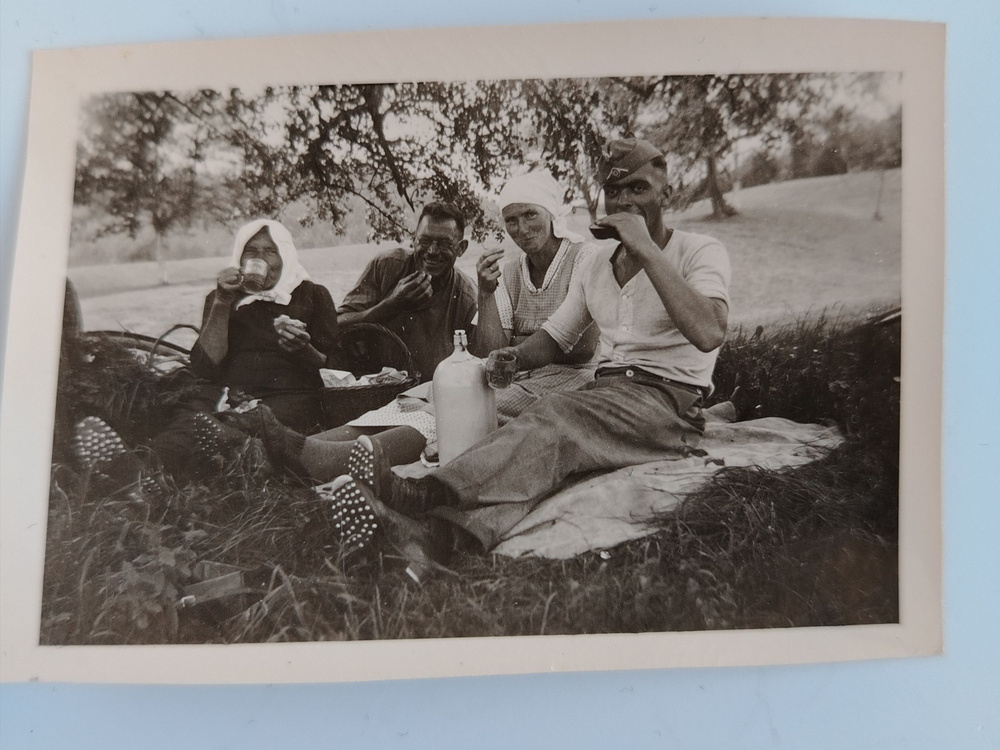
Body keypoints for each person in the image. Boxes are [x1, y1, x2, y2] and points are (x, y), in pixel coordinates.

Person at [326, 137, 732, 568]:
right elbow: (557, 336)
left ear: (665, 193)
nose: (624, 201)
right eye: (615, 192)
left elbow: (709, 332)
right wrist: (516, 358)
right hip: (608, 397)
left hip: (668, 405)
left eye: (638, 189)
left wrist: (645, 248)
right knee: (544, 467)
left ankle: (420, 492)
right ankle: (433, 542)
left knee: (554, 417)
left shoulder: (699, 250)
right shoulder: (598, 265)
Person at [232, 172, 602, 502]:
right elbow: (491, 350)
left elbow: (578, 345)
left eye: (530, 215)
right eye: (511, 220)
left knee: (456, 407)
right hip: (511, 371)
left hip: (563, 379)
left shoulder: (585, 258)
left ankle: (318, 459)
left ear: (553, 214)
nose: (521, 229)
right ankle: (296, 446)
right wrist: (490, 296)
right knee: (420, 396)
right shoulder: (508, 271)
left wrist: (512, 344)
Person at [189, 218, 339, 434]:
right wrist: (222, 302)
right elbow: (205, 367)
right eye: (251, 251)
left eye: (270, 251)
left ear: (285, 256)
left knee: (239, 431)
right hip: (230, 396)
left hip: (290, 400)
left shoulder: (313, 295)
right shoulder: (222, 297)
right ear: (240, 257)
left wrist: (305, 351)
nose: (260, 259)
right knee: (187, 424)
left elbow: (336, 371)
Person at [336, 202, 477, 384]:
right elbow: (337, 326)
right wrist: (392, 305)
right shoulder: (386, 266)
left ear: (461, 248)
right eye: (424, 241)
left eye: (444, 244)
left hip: (430, 396)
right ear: (414, 239)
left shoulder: (467, 297)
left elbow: (475, 365)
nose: (432, 251)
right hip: (372, 390)